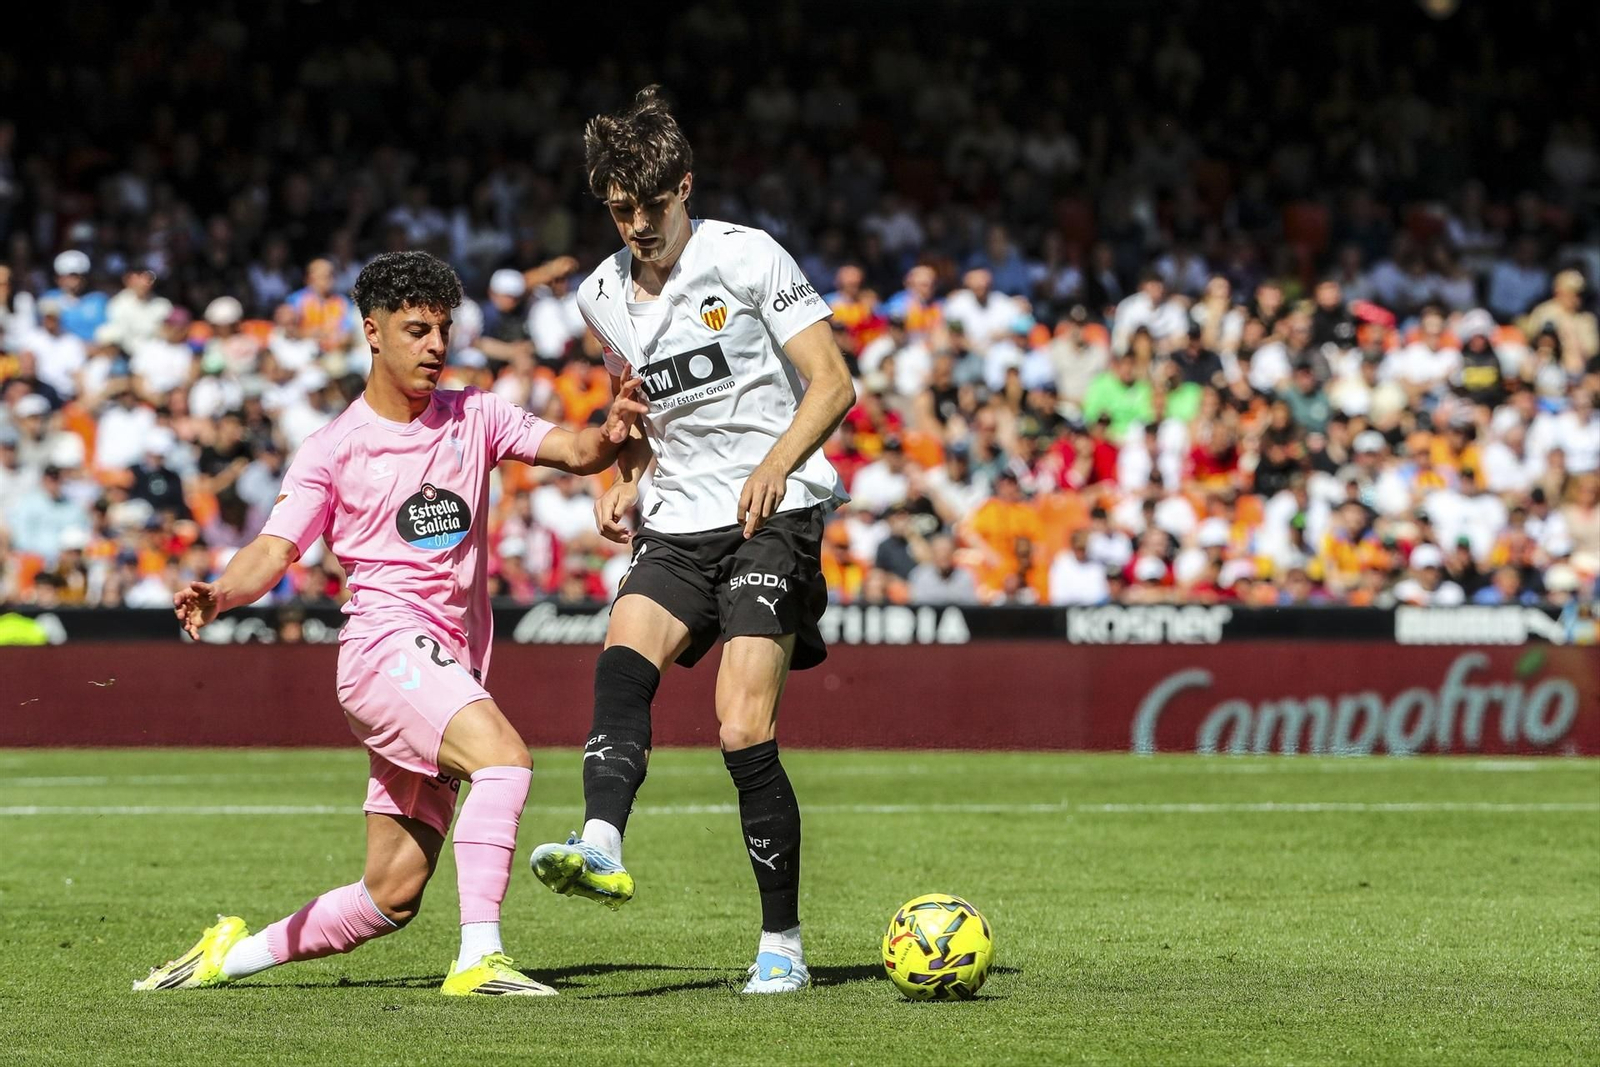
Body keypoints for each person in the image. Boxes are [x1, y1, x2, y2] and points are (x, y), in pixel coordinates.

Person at [132, 250, 647, 997]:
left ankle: (223, 958)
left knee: (391, 895)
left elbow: (575, 450)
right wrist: (222, 592)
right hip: (383, 649)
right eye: (417, 330)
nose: (436, 345)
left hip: (445, 666)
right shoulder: (334, 447)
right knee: (504, 759)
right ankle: (480, 958)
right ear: (372, 332)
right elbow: (276, 547)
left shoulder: (478, 413)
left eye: (443, 329)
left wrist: (612, 429)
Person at [527, 87, 855, 995]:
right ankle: (599, 838)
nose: (635, 224)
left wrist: (778, 463)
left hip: (770, 515)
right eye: (618, 208)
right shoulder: (600, 295)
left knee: (741, 724)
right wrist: (624, 475)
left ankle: (782, 943)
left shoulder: (746, 257)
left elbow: (832, 383)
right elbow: (637, 412)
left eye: (649, 204)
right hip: (677, 520)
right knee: (621, 652)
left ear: (685, 187)